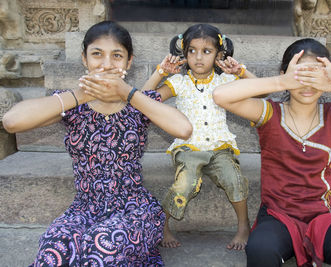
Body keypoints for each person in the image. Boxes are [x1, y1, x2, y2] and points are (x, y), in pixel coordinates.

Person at [3, 21, 192, 266]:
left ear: (128, 62)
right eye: (97, 54)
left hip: (134, 209)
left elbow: (184, 129)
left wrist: (126, 92)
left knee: (101, 246)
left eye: (116, 56)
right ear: (84, 59)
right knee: (53, 251)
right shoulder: (71, 105)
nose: (106, 64)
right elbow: (11, 121)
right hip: (84, 209)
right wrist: (82, 95)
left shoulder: (139, 103)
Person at [213, 38, 331, 267]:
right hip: (278, 216)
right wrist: (281, 81)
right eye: (300, 75)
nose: (308, 84)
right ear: (286, 74)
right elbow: (220, 96)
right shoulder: (269, 113)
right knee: (261, 250)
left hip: (323, 216)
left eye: (316, 76)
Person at [142, 23, 256, 250]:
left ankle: (243, 225)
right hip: (187, 148)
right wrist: (160, 73)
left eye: (207, 51)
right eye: (192, 51)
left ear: (219, 54)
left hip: (220, 147)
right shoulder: (178, 82)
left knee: (234, 179)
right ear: (183, 53)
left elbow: (261, 91)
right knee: (186, 183)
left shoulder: (225, 81)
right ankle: (163, 225)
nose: (198, 58)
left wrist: (240, 71)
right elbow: (145, 100)